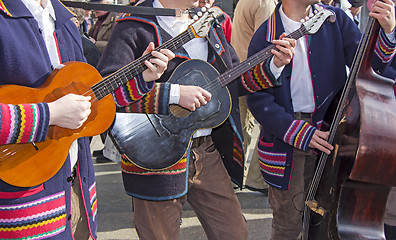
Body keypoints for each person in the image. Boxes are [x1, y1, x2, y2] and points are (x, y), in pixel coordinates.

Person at [97, 0, 296, 238]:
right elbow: (105, 94)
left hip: (206, 150)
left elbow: (230, 81)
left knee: (233, 232)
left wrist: (273, 66)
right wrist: (174, 94)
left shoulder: (208, 23)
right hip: (154, 157)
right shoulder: (133, 25)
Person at [0, 0, 173, 239]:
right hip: (22, 208)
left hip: (76, 195)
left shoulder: (65, 22)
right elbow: (61, 111)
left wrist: (141, 77)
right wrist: (50, 115)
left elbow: (91, 101)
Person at [245, 0, 396, 239]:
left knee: (328, 217)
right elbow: (257, 97)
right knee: (288, 224)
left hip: (334, 132)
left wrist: (388, 32)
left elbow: (372, 67)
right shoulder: (266, 33)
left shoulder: (335, 19)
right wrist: (298, 132)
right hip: (287, 139)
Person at [231, 0, 278, 193]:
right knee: (268, 127)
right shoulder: (265, 2)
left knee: (241, 129)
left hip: (240, 70)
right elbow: (268, 43)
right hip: (253, 75)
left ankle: (238, 177)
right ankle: (255, 179)